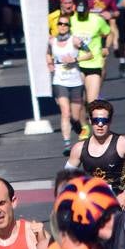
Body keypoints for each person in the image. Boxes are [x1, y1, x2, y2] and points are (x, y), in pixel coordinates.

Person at [66, 99, 125, 211]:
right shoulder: (79, 148)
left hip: (117, 203)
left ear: (110, 121)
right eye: (96, 120)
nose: (100, 124)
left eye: (104, 120)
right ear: (90, 121)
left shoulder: (123, 143)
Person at [46, 13, 92, 153]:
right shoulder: (52, 41)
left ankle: (83, 130)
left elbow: (90, 54)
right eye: (60, 24)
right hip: (59, 81)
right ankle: (67, 144)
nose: (62, 26)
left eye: (65, 24)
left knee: (75, 116)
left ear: (69, 27)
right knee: (65, 113)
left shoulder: (75, 40)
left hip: (75, 81)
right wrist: (49, 63)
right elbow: (48, 53)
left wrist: (75, 60)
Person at [70, 0, 111, 106]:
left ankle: (90, 121)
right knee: (79, 100)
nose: (81, 15)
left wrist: (105, 47)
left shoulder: (97, 20)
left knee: (92, 103)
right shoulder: (70, 20)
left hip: (94, 64)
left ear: (88, 9)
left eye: (84, 12)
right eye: (79, 13)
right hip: (76, 65)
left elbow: (108, 33)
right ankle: (80, 122)